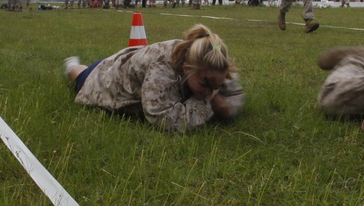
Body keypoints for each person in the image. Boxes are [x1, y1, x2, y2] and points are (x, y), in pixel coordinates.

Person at [63, 24, 245, 133]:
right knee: (80, 76)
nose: (210, 90)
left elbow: (234, 93)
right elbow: (161, 118)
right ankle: (71, 64)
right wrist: (209, 104)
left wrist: (227, 105)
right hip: (107, 78)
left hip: (129, 61)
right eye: (205, 84)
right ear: (187, 68)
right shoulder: (162, 69)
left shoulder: (214, 63)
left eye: (217, 85)